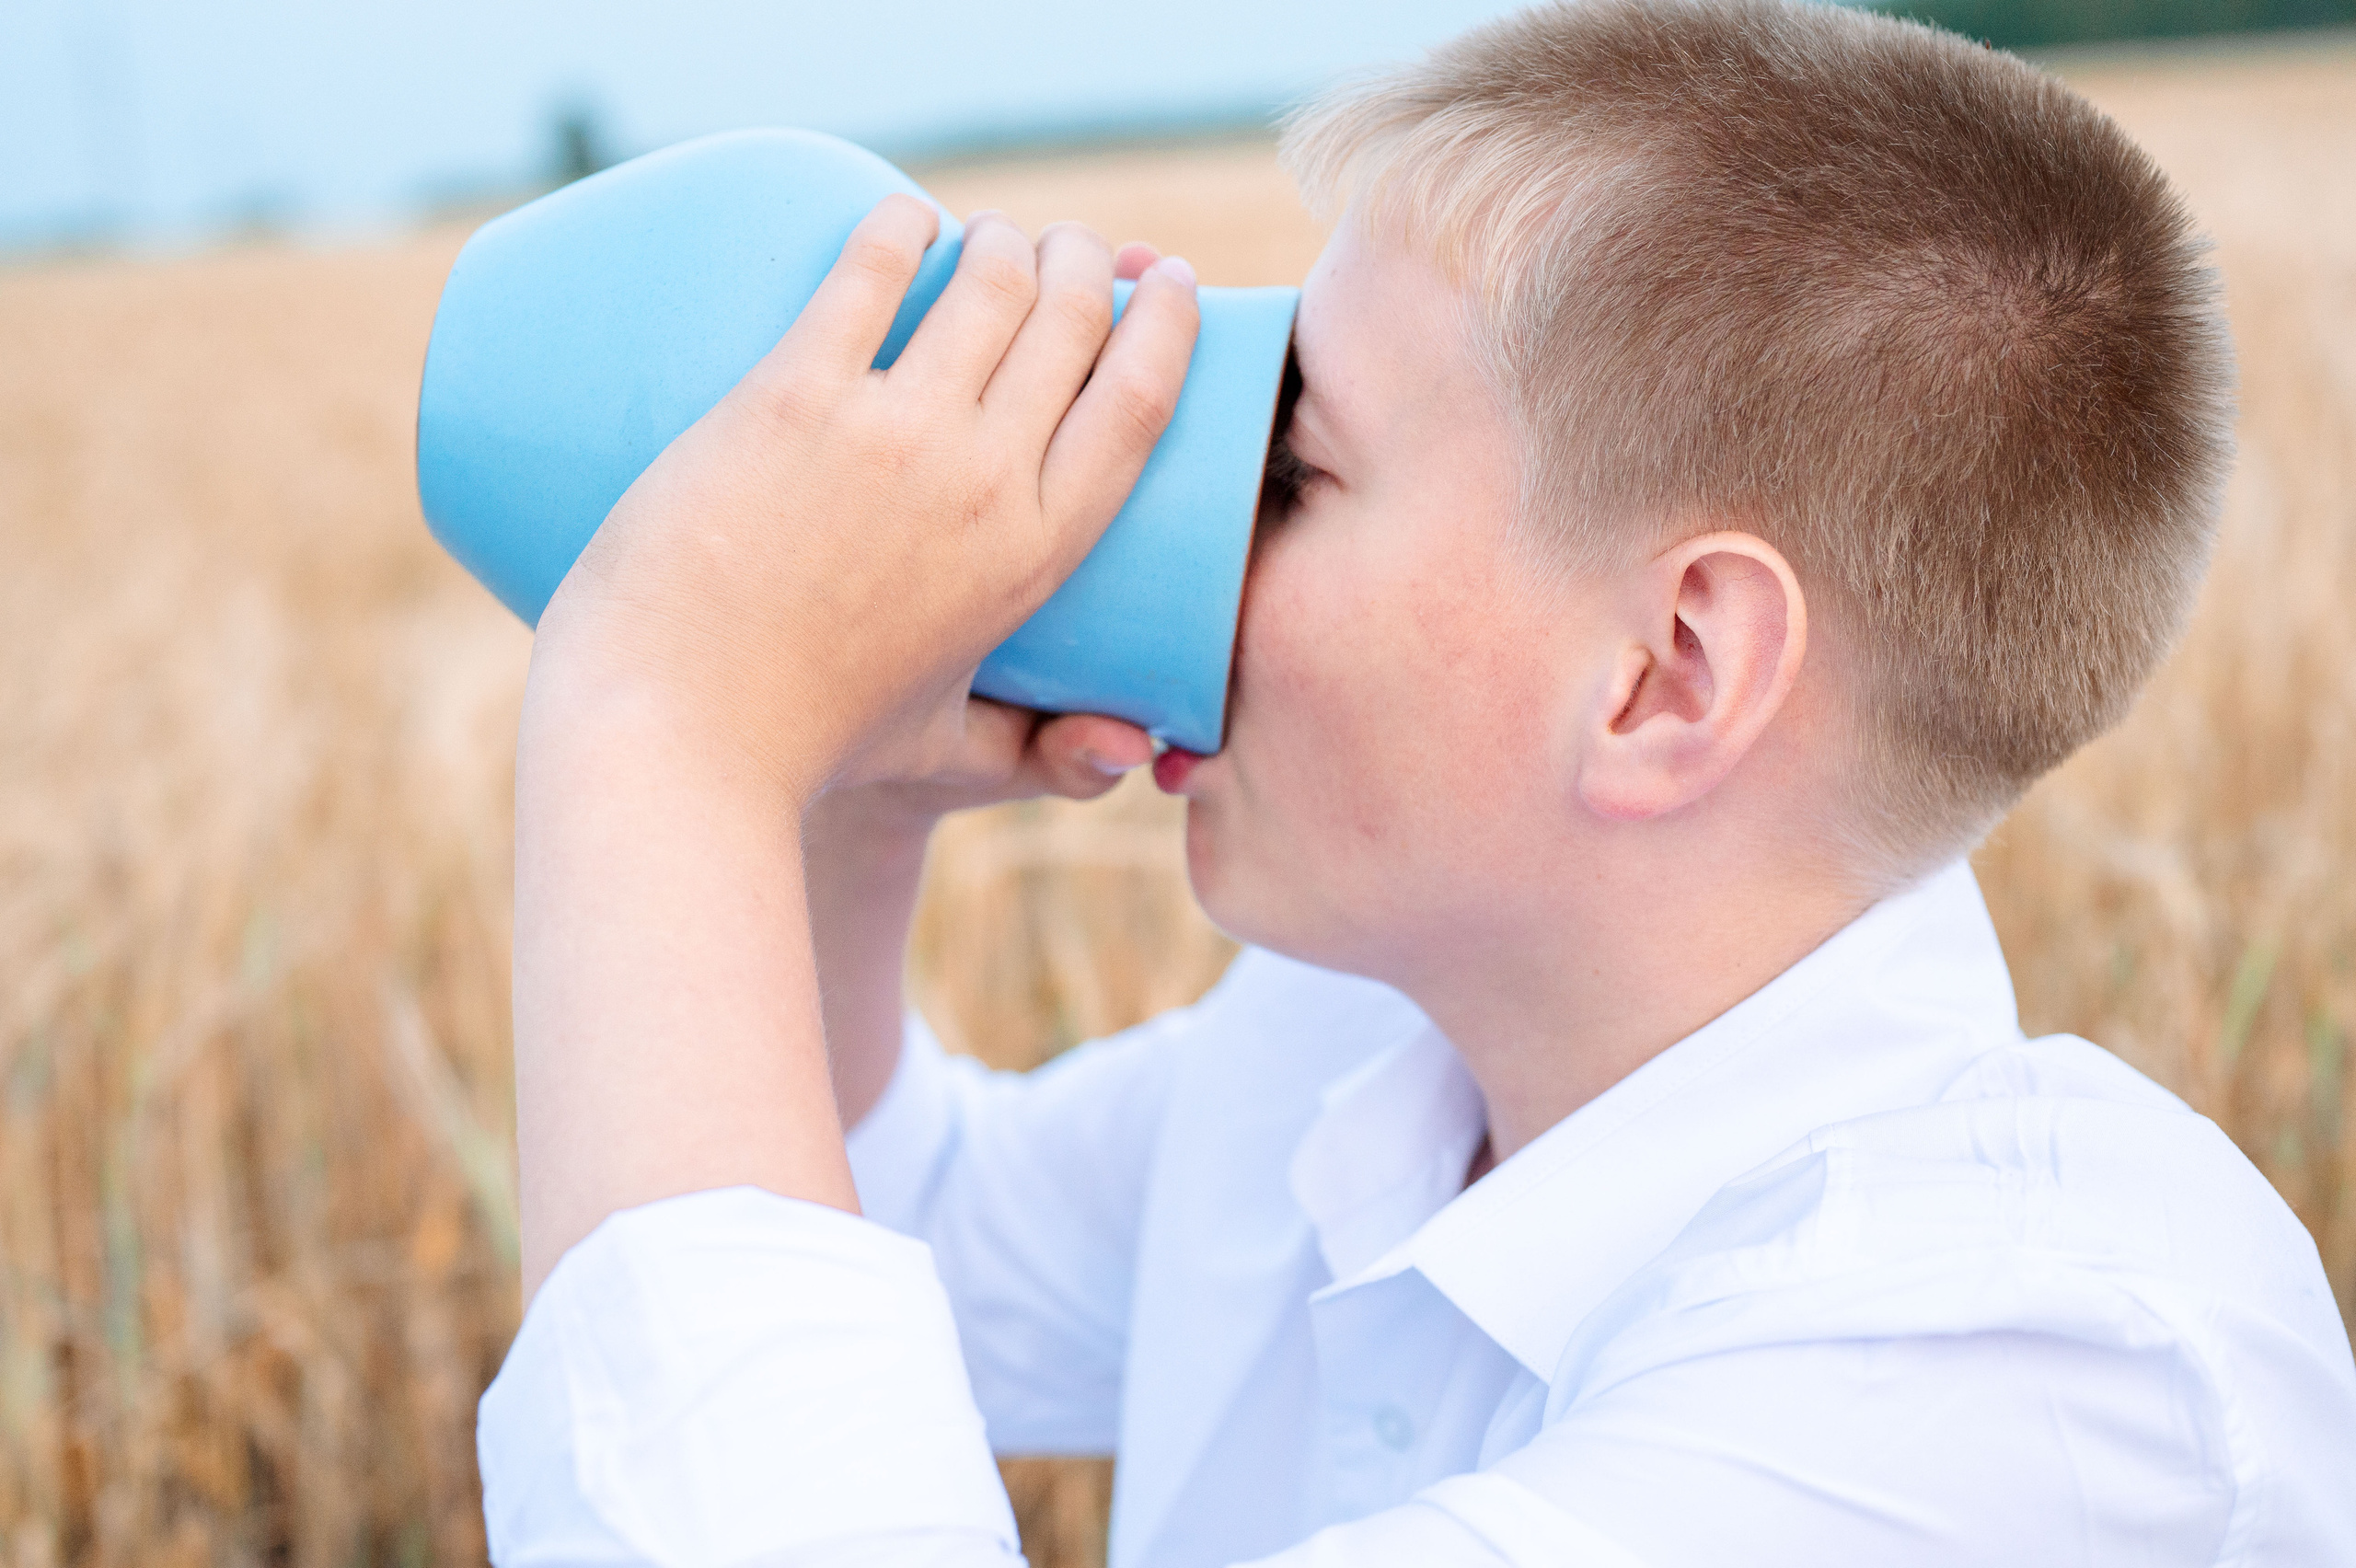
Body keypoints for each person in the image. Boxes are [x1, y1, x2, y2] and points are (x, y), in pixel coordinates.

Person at [474, 2, 2356, 1562]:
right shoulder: (1366, 1048)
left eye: (1293, 467)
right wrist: (844, 789)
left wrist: (665, 733)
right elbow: (902, 1242)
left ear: (1666, 676)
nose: (1201, 526)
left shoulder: (2031, 1383)